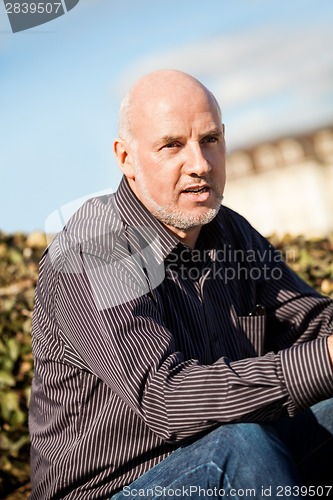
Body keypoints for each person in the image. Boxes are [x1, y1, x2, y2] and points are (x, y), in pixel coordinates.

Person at [29, 70, 333, 499]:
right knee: (238, 447)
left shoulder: (229, 231)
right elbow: (167, 398)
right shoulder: (95, 249)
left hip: (232, 454)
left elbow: (312, 323)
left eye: (210, 140)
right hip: (116, 487)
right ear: (126, 159)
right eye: (172, 145)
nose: (200, 164)